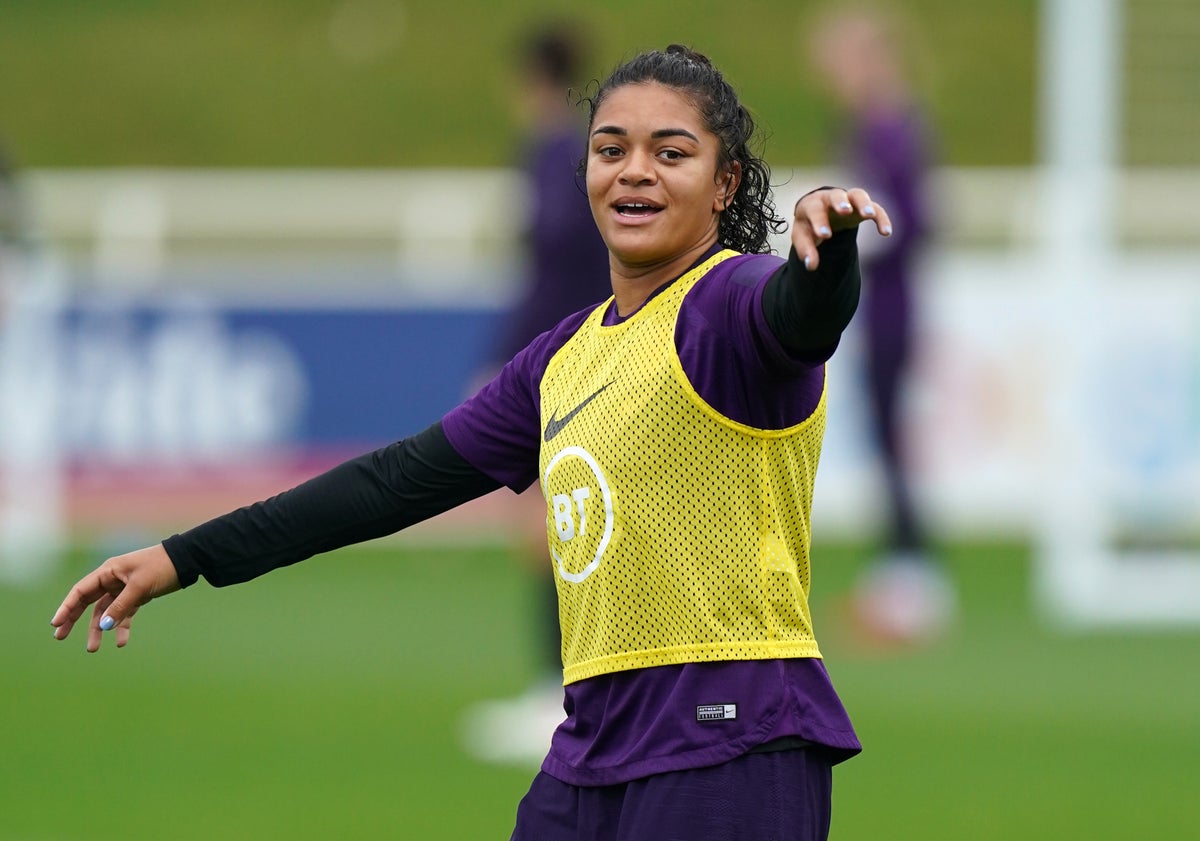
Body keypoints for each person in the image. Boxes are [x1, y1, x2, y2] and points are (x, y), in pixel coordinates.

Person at [51, 45, 892, 840]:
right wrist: (184, 555)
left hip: (731, 740)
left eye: (671, 153)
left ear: (724, 183)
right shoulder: (562, 357)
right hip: (594, 744)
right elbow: (392, 483)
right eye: (611, 149)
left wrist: (829, 254)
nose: (634, 170)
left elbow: (800, 315)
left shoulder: (728, 300)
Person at [460, 21, 613, 766]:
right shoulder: (597, 150)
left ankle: (560, 692)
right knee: (567, 529)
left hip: (562, 363)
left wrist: (503, 362)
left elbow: (550, 266)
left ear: (529, 79)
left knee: (550, 530)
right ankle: (575, 689)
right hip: (595, 351)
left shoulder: (554, 154)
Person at [807, 5, 957, 644]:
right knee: (883, 434)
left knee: (892, 434)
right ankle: (903, 574)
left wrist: (864, 236)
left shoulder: (894, 129)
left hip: (894, 303)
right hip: (875, 304)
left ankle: (913, 579)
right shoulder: (868, 126)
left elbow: (919, 220)